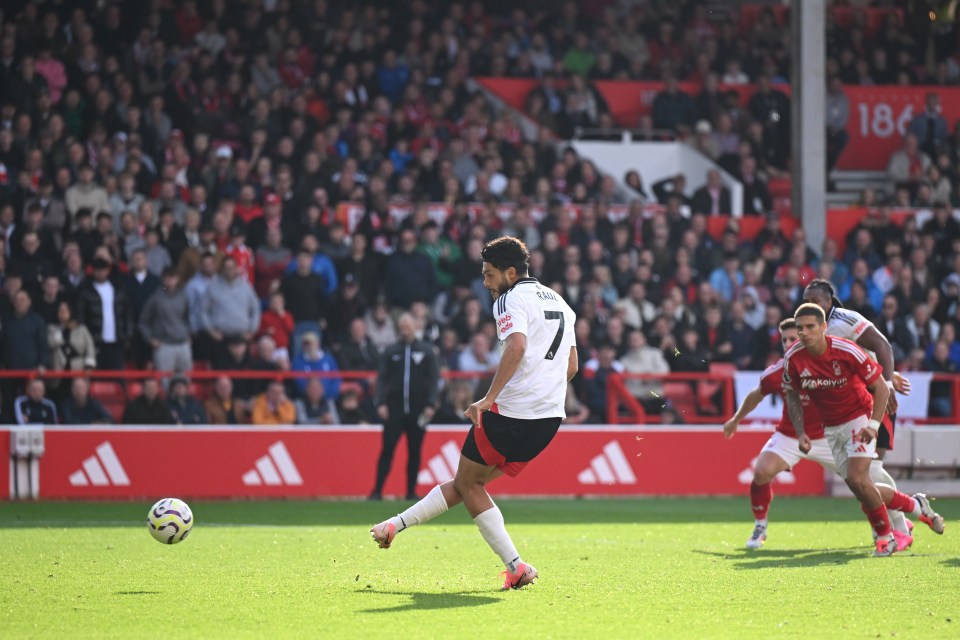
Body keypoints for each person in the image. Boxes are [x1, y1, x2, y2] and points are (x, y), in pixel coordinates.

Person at [371, 236, 577, 590]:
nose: (485, 283)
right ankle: (394, 526)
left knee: (469, 483)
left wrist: (488, 398)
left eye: (489, 274)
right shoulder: (560, 302)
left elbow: (517, 346)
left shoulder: (510, 299)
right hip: (548, 420)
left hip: (511, 412)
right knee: (470, 485)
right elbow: (570, 365)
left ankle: (516, 566)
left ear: (510, 273)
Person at [724, 318, 913, 551]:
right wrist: (736, 419)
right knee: (761, 471)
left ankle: (902, 516)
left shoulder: (831, 357)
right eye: (785, 339)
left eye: (794, 337)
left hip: (829, 435)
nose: (790, 342)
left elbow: (861, 369)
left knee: (863, 483)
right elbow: (757, 393)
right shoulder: (782, 369)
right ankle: (760, 525)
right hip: (791, 435)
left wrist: (889, 378)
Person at [782, 304, 944, 556]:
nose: (803, 332)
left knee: (860, 478)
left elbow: (880, 387)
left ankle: (886, 537)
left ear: (824, 327)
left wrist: (873, 425)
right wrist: (801, 431)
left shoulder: (846, 350)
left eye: (810, 327)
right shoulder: (793, 358)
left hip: (859, 416)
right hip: (832, 427)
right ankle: (915, 505)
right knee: (862, 488)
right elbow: (792, 395)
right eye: (800, 328)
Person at [801, 278, 913, 537]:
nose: (810, 304)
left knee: (871, 470)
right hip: (852, 402)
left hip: (876, 396)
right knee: (865, 474)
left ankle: (897, 526)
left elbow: (882, 345)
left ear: (828, 302)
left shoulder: (844, 320)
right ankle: (896, 523)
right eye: (806, 301)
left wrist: (887, 382)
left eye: (815, 300)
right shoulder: (811, 329)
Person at [369, 313, 440, 501]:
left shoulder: (426, 351)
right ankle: (377, 491)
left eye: (408, 326)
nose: (405, 330)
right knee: (387, 450)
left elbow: (434, 379)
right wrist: (381, 403)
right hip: (394, 409)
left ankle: (410, 492)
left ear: (415, 327)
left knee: (415, 452)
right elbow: (381, 378)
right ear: (399, 328)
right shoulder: (391, 351)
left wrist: (431, 404)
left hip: (418, 410)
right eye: (402, 327)